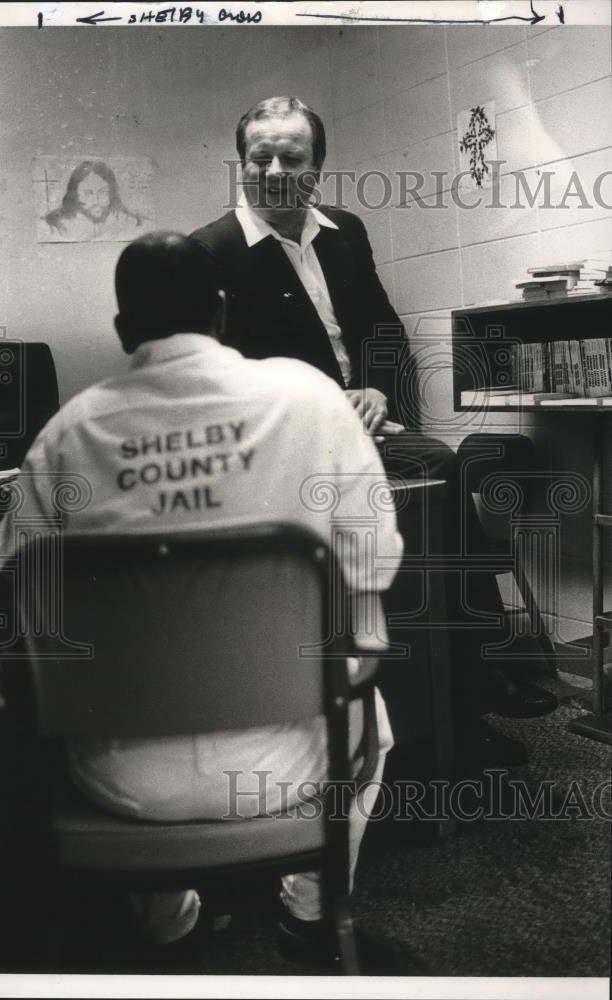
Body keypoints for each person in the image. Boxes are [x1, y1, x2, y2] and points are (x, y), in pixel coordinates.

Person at [0, 231, 403, 960]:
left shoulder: (62, 437)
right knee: (371, 699)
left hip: (122, 782)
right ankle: (310, 913)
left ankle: (167, 922)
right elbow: (376, 562)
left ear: (122, 332)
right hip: (297, 763)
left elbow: (14, 612)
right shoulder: (310, 398)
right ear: (221, 309)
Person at [191, 95, 558, 757]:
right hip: (286, 446)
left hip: (367, 430)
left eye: (292, 157)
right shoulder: (209, 252)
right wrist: (318, 405)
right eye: (259, 156)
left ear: (318, 166)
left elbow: (383, 332)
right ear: (240, 162)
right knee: (439, 479)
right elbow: (216, 377)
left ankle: (465, 702)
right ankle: (481, 679)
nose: (275, 170)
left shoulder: (345, 231)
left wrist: (379, 392)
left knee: (436, 505)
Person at [40, 160, 145, 242]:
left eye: (103, 192)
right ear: (75, 195)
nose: (96, 201)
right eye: (88, 193)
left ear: (111, 193)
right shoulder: (56, 227)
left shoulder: (130, 222)